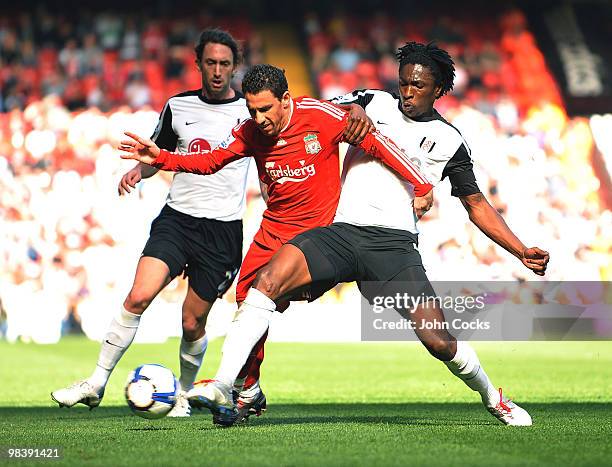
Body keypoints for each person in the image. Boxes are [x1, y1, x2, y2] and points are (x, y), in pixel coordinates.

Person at [184, 42, 549, 426]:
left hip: (393, 246)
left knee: (439, 342)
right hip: (341, 232)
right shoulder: (372, 100)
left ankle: (494, 397)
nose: (408, 92)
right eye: (404, 82)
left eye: (419, 86)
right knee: (266, 282)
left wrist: (520, 250)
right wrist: (353, 107)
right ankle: (227, 385)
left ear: (439, 90)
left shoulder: (450, 141)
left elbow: (476, 204)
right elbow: (318, 111)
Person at [117, 63, 434, 422]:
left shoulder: (320, 116)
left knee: (270, 297)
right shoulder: (250, 131)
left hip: (318, 234)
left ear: (285, 99)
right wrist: (162, 158)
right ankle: (247, 390)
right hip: (273, 230)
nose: (259, 118)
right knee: (244, 299)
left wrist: (420, 183)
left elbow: (376, 143)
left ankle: (235, 387)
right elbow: (211, 161)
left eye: (265, 109)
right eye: (252, 110)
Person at [51, 29, 252, 417]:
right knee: (138, 296)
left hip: (222, 231)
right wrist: (137, 172)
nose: (216, 70)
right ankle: (95, 382)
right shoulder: (178, 106)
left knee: (193, 323)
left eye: (224, 63)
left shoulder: (249, 112)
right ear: (197, 64)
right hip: (177, 221)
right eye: (210, 62)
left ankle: (185, 395)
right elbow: (156, 152)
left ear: (234, 67)